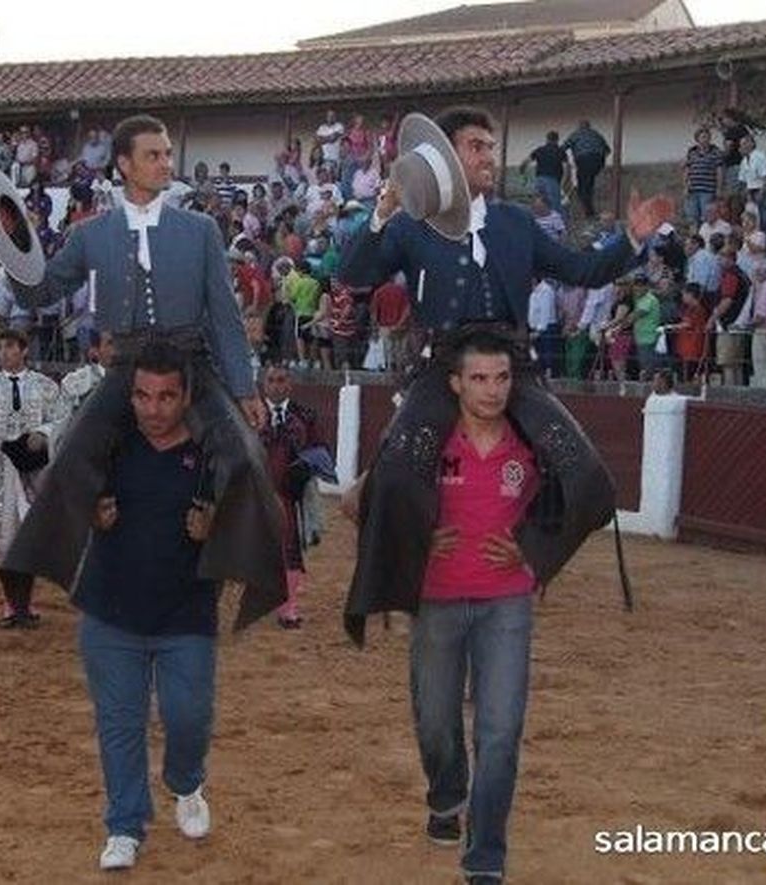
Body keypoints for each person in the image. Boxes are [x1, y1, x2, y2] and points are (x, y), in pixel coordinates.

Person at [338, 106, 671, 645]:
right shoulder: (410, 226)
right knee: (397, 475)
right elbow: (353, 274)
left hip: (512, 369)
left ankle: (527, 554)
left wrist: (630, 242)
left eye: (491, 147)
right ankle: (402, 581)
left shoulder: (516, 223)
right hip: (441, 367)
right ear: (445, 156)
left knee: (588, 477)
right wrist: (380, 215)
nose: (489, 156)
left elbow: (581, 270)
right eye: (476, 146)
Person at [0, 114, 286, 630]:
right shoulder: (91, 234)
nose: (166, 163)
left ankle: (229, 555)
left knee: (243, 453)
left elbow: (222, 314)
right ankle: (29, 572)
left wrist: (243, 387)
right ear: (124, 164)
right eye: (154, 155)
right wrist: (13, 249)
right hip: (127, 367)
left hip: (190, 364)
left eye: (167, 154)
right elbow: (41, 291)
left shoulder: (199, 230)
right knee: (69, 455)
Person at [74, 343, 225, 871]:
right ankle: (124, 825)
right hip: (111, 610)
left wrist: (215, 532)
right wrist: (91, 513)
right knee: (119, 723)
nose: (153, 409)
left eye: (165, 397)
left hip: (186, 613)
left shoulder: (213, 454)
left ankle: (185, 781)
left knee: (189, 716)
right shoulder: (109, 445)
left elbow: (248, 522)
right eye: (142, 395)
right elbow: (64, 495)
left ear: (186, 396)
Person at [406, 330, 541, 884]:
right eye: (480, 379)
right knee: (436, 721)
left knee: (500, 731)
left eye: (502, 378)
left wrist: (534, 547)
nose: (492, 390)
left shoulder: (533, 441)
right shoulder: (424, 440)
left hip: (506, 601)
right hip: (436, 597)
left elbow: (576, 501)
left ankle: (485, 855)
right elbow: (363, 502)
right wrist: (416, 536)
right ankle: (446, 794)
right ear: (457, 383)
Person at [0, 329, 68, 628]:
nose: (3, 353)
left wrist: (43, 434)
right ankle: (12, 606)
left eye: (9, 347)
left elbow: (62, 419)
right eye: (0, 348)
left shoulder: (45, 386)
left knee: (30, 535)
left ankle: (25, 604)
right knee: (5, 535)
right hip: (0, 460)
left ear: (23, 350)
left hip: (35, 464)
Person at [257, 363, 330, 629]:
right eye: (272, 380)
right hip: (253, 493)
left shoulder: (305, 416)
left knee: (289, 548)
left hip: (288, 493)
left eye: (282, 380)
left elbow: (322, 450)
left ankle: (288, 610)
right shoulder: (250, 413)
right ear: (263, 384)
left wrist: (306, 465)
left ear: (290, 384)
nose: (277, 385)